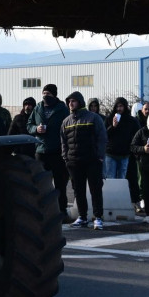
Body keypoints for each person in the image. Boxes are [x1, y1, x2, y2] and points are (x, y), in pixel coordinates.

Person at [60, 91, 106, 229]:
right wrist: (65, 157)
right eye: (69, 101)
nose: (70, 103)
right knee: (78, 191)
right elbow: (63, 141)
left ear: (79, 102)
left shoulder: (93, 118)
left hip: (92, 161)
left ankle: (98, 218)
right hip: (74, 162)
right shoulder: (66, 121)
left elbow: (102, 138)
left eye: (73, 101)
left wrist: (99, 156)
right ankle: (83, 217)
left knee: (95, 189)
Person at [28, 84, 71, 221]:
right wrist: (36, 129)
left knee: (60, 183)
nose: (45, 96)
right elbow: (29, 125)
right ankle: (41, 210)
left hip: (57, 150)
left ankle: (61, 210)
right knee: (40, 183)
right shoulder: (38, 108)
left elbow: (67, 127)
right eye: (44, 93)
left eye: (48, 94)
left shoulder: (62, 109)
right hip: (41, 150)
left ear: (54, 95)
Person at [104, 97, 139, 180]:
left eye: (121, 106)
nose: (119, 108)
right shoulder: (109, 119)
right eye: (117, 106)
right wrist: (113, 126)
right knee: (110, 178)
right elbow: (104, 135)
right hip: (111, 154)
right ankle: (111, 194)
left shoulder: (131, 120)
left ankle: (119, 193)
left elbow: (137, 135)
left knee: (121, 179)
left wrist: (132, 147)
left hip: (125, 155)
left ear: (125, 107)